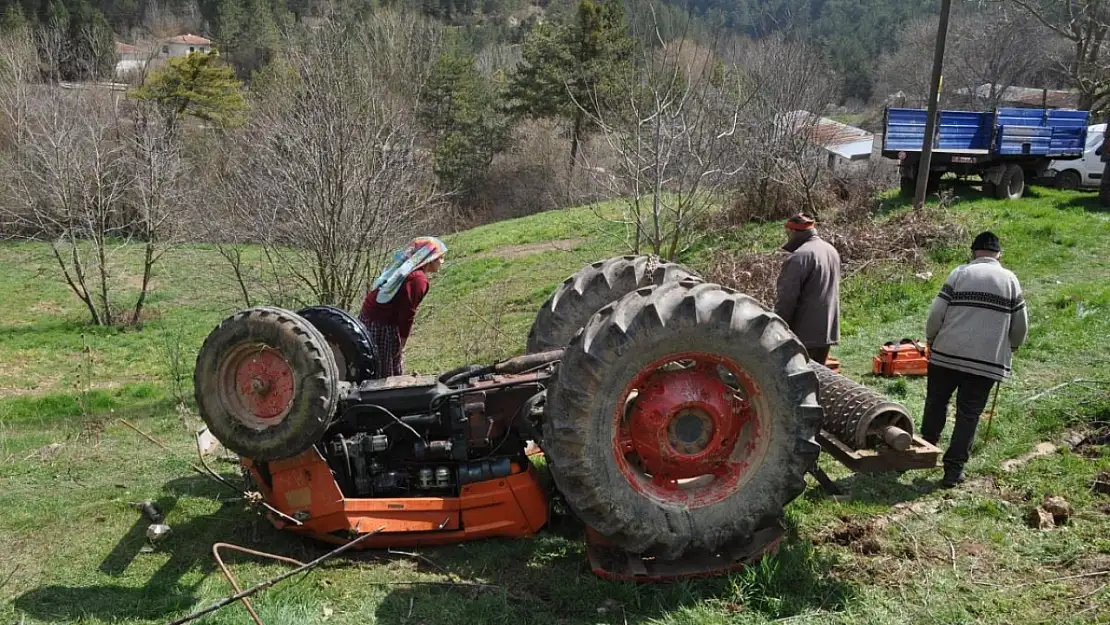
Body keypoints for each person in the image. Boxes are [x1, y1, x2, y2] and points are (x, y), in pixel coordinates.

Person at [923, 231, 1028, 488]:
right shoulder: (1010, 280)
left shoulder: (960, 273)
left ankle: (924, 450)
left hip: (946, 354)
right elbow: (1020, 326)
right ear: (999, 254)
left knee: (936, 402)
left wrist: (932, 339)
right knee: (968, 414)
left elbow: (937, 312)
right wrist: (1012, 347)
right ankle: (953, 470)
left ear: (973, 252)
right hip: (985, 363)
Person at [359, 236, 447, 377]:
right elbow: (407, 314)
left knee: (372, 364)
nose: (442, 262)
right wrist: (402, 343)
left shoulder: (406, 270)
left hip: (368, 319)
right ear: (429, 258)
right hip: (382, 325)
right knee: (386, 373)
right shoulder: (418, 279)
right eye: (440, 258)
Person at [774, 213, 842, 365]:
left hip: (804, 333)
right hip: (827, 329)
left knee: (797, 380)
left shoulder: (799, 257)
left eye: (788, 233)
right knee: (816, 377)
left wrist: (776, 328)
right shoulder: (830, 250)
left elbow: (787, 299)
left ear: (794, 232)